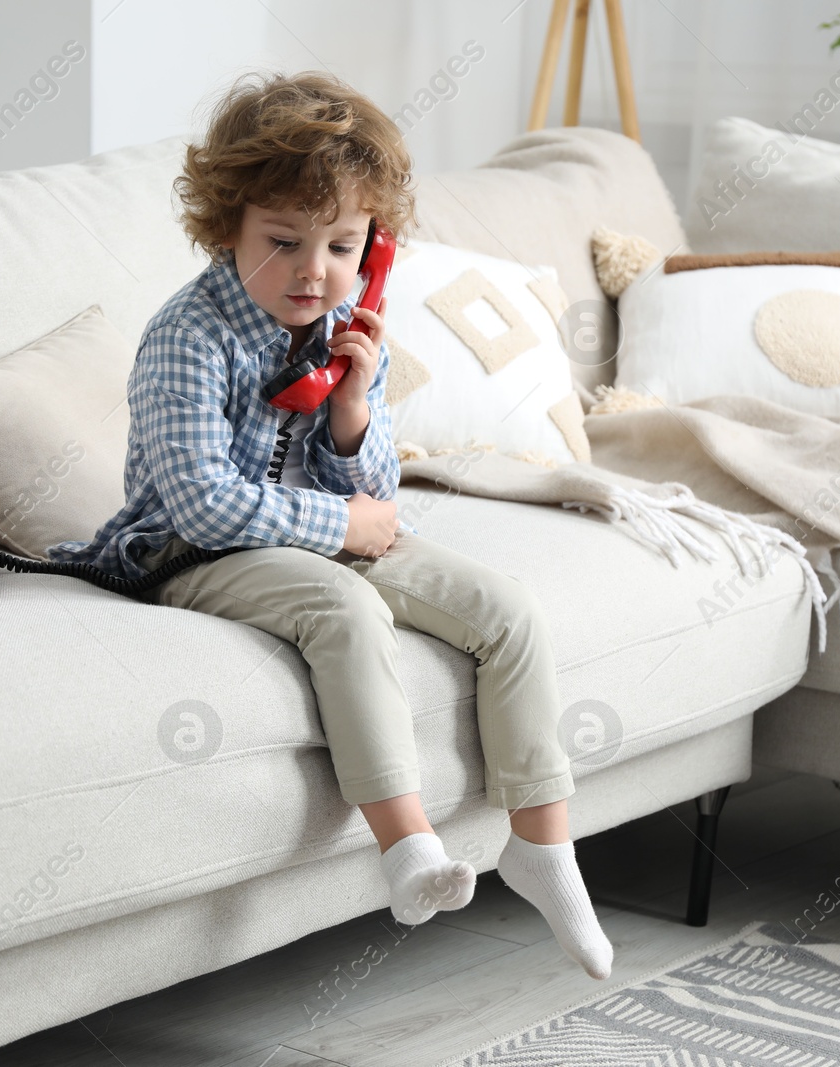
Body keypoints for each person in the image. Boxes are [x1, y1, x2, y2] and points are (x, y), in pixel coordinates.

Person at [46, 70, 612, 980]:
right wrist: (344, 522)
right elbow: (202, 501)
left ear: (373, 245)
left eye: (344, 246)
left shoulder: (346, 321)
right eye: (285, 242)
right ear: (225, 227)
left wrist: (351, 407)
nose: (316, 271)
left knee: (508, 610)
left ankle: (543, 848)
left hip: (330, 522)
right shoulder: (186, 338)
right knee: (346, 610)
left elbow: (377, 485)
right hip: (194, 551)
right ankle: (408, 848)